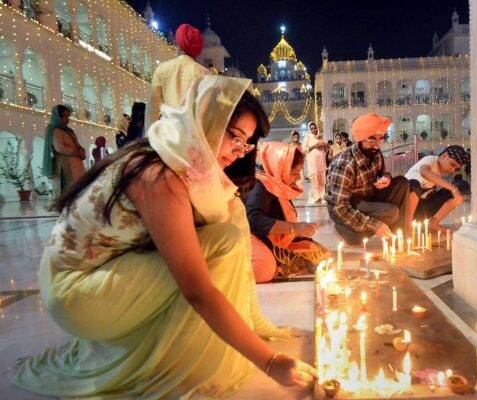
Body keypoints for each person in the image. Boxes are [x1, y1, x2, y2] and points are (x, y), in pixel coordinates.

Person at [13, 76, 315, 399]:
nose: (238, 151)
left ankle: (236, 325)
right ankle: (182, 365)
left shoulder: (173, 156)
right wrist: (269, 362)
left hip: (100, 273)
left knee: (232, 214)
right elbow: (197, 291)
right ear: (207, 120)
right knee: (223, 242)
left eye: (246, 143)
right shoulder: (159, 175)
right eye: (235, 138)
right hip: (74, 294)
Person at [246, 142, 331, 283]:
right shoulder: (261, 186)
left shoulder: (277, 184)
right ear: (281, 169)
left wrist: (298, 230)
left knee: (319, 254)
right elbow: (253, 221)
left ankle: (278, 259)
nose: (298, 178)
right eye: (294, 173)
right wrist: (294, 228)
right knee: (265, 268)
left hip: (274, 236)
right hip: (254, 236)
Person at [325, 113, 410, 246]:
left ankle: (396, 233)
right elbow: (339, 207)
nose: (377, 144)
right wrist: (374, 224)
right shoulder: (344, 164)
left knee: (402, 183)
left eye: (381, 138)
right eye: (372, 139)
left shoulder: (376, 153)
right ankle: (349, 232)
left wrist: (385, 178)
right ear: (360, 138)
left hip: (368, 196)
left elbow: (383, 173)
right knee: (391, 213)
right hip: (346, 204)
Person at [147, 23, 209, 127]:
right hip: (193, 134)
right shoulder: (204, 73)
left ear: (179, 47)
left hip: (168, 132)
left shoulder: (162, 69)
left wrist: (150, 136)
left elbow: (152, 107)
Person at [405, 144, 470, 231]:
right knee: (414, 184)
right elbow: (424, 172)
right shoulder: (432, 159)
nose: (452, 170)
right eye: (452, 164)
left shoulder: (440, 173)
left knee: (463, 186)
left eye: (455, 168)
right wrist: (453, 189)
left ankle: (433, 223)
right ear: (444, 155)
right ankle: (406, 226)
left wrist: (456, 195)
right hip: (404, 208)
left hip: (420, 211)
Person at [42, 105, 86, 193]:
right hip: (64, 165)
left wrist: (81, 150)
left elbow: (76, 144)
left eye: (68, 116)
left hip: (76, 164)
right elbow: (60, 148)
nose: (67, 119)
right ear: (57, 116)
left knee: (79, 192)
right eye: (63, 116)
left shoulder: (69, 131)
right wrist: (76, 152)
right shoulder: (54, 130)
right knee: (66, 192)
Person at [302, 122, 328, 205]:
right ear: (309, 130)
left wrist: (324, 146)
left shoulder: (321, 137)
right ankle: (317, 197)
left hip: (321, 161)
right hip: (313, 162)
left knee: (323, 179)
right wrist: (314, 146)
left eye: (315, 128)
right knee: (315, 179)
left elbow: (326, 149)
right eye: (312, 128)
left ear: (317, 128)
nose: (314, 130)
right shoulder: (308, 138)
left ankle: (322, 196)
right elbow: (303, 150)